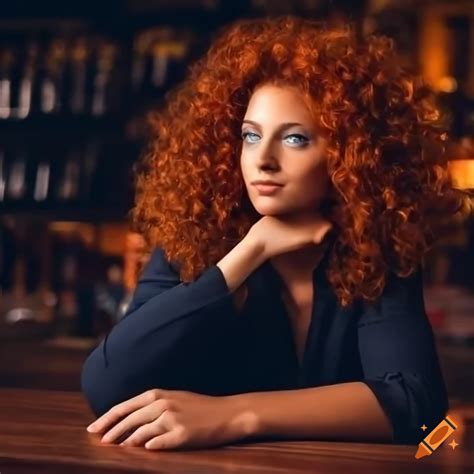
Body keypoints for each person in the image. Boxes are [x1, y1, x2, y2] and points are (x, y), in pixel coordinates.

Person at [81, 16, 465, 451]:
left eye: (296, 139)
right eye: (250, 136)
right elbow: (106, 383)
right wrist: (249, 252)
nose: (263, 159)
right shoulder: (193, 239)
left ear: (349, 154)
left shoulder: (378, 250)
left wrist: (234, 415)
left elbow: (418, 408)